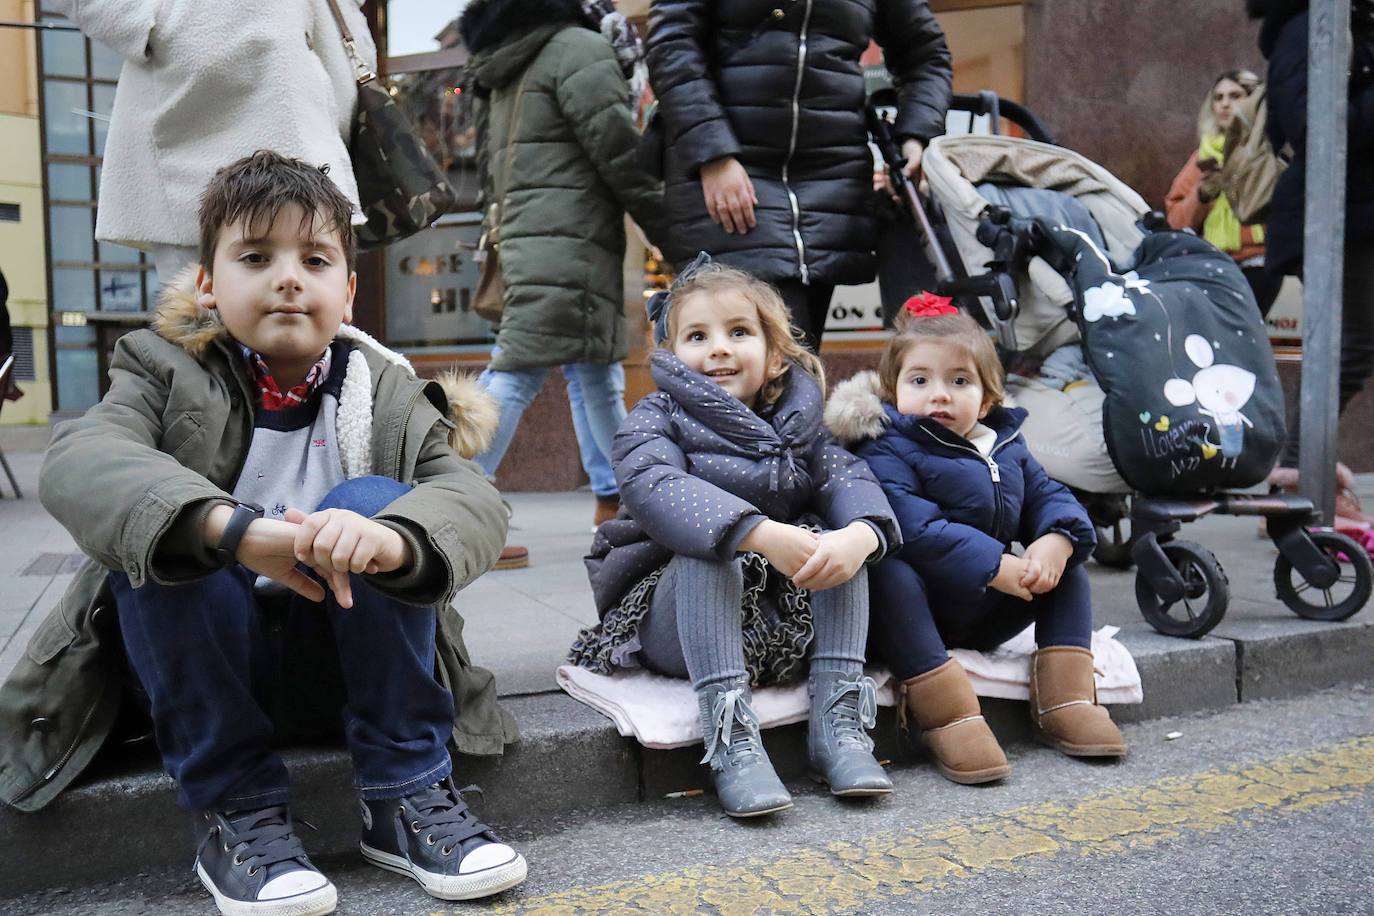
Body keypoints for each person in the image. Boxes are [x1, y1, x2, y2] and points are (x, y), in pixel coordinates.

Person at [3, 152, 525, 915]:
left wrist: (395, 538)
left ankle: (406, 796)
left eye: (314, 260)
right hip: (199, 673)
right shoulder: (158, 367)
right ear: (209, 283)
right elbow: (82, 460)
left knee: (378, 500)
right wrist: (230, 528)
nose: (288, 277)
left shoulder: (388, 391)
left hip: (341, 665)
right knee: (172, 526)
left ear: (347, 290)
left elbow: (472, 500)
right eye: (256, 257)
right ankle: (239, 812)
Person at [570, 254, 901, 817]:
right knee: (709, 545)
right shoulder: (655, 419)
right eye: (697, 336)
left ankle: (837, 722)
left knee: (837, 541)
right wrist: (757, 531)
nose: (718, 348)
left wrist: (864, 534)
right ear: (672, 355)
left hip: (774, 624)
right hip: (675, 619)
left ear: (774, 357)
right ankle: (731, 740)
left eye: (738, 332)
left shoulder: (801, 422)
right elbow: (655, 484)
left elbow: (849, 476)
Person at [825, 303, 1124, 785]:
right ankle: (950, 718)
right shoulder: (886, 447)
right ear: (893, 390)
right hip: (913, 618)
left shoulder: (1004, 446)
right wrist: (996, 565)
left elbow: (1049, 494)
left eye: (959, 382)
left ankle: (1066, 701)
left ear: (988, 399)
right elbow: (913, 528)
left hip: (983, 610)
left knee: (1066, 568)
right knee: (889, 571)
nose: (938, 395)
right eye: (919, 381)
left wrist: (1056, 539)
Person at [460, 0, 663, 558]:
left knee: (595, 373)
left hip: (535, 239)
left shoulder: (509, 59)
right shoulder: (576, 48)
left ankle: (617, 499)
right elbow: (622, 154)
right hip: (569, 242)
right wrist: (676, 228)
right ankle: (450, 504)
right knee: (519, 370)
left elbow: (488, 171)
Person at [645, 0, 953, 352]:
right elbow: (671, 45)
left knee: (798, 359)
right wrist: (713, 154)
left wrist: (915, 136)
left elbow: (926, 53)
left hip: (830, 177)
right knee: (755, 359)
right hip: (730, 170)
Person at [49, 0, 373, 284]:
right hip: (203, 128)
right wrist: (151, 20)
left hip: (312, 128)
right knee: (209, 328)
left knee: (314, 322)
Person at [1248, 0, 1374, 525]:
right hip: (1338, 212)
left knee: (1352, 343)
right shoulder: (1309, 24)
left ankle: (1300, 472)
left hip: (1355, 207)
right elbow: (1308, 122)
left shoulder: (1355, 22)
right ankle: (1298, 472)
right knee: (1351, 344)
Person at [1166, 69, 1283, 317]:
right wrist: (1202, 195)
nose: (1225, 104)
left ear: (1252, 101)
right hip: (1212, 263)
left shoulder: (1267, 151)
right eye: (1218, 98)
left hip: (1260, 262)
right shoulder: (1204, 155)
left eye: (1235, 96)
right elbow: (1175, 222)